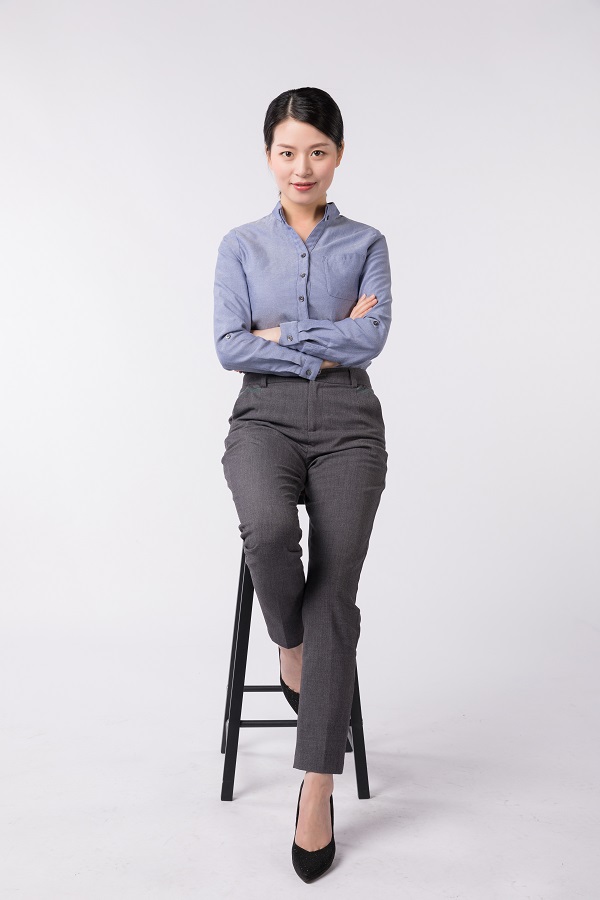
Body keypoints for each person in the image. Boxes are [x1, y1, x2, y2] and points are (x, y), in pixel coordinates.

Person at [213, 86, 392, 882]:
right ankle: (289, 646)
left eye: (317, 151)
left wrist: (282, 333)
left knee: (336, 591)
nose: (302, 167)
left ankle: (316, 786)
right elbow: (229, 345)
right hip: (264, 418)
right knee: (268, 531)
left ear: (338, 155)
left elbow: (373, 337)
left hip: (351, 422)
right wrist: (328, 337)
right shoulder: (240, 245)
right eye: (287, 152)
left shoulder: (368, 242)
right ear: (269, 156)